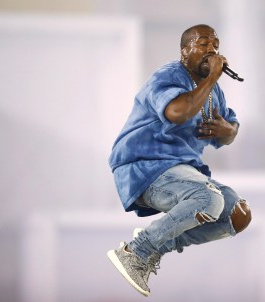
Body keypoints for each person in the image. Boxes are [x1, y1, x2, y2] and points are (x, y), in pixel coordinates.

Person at [107, 24, 252, 297]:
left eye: (215, 46)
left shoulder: (214, 92)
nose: (212, 51)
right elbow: (176, 112)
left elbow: (230, 128)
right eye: (203, 45)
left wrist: (228, 131)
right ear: (185, 52)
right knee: (209, 200)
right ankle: (136, 252)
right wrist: (211, 80)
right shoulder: (168, 76)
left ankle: (154, 246)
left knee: (237, 215)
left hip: (181, 170)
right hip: (145, 167)